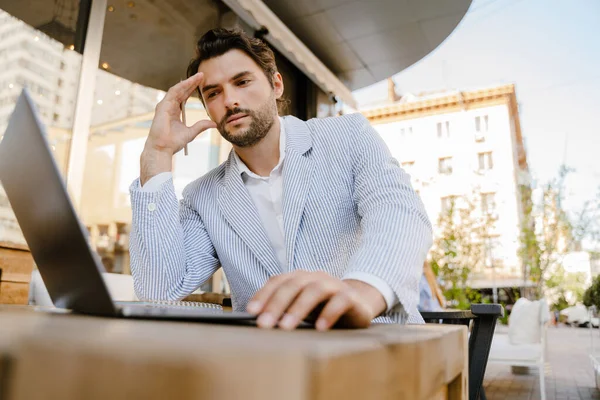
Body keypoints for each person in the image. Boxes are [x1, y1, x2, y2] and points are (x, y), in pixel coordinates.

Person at [129, 28, 432, 331]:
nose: (230, 100)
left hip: (373, 343)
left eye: (242, 81)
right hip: (274, 361)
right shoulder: (203, 196)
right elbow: (159, 289)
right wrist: (157, 153)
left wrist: (362, 291)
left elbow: (399, 213)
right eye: (213, 93)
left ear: (276, 85)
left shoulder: (348, 136)